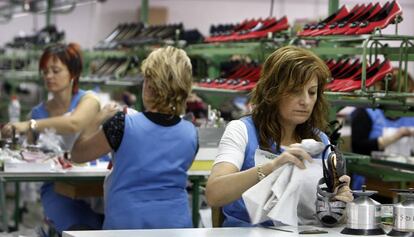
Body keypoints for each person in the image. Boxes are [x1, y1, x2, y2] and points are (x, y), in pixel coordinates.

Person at [205, 45, 353, 227]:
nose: (305, 101)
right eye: (295, 91)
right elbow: (214, 194)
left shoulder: (320, 141)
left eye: (312, 92)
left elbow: (321, 216)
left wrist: (336, 202)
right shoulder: (242, 131)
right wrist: (272, 166)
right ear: (272, 91)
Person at [70, 46, 198, 230]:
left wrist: (97, 119)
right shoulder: (191, 133)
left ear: (150, 85)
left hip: (128, 226)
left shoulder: (122, 124)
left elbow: (78, 154)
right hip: (176, 227)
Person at [1, 42, 115, 233]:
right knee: (81, 230)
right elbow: (29, 153)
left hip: (97, 185)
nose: (49, 76)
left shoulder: (89, 100)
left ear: (73, 73)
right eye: (45, 72)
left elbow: (74, 124)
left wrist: (30, 125)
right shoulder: (39, 112)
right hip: (58, 188)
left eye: (55, 70)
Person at [350, 68, 414, 189]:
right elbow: (358, 147)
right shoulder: (365, 113)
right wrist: (395, 136)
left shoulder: (410, 115)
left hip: (406, 179)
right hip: (370, 181)